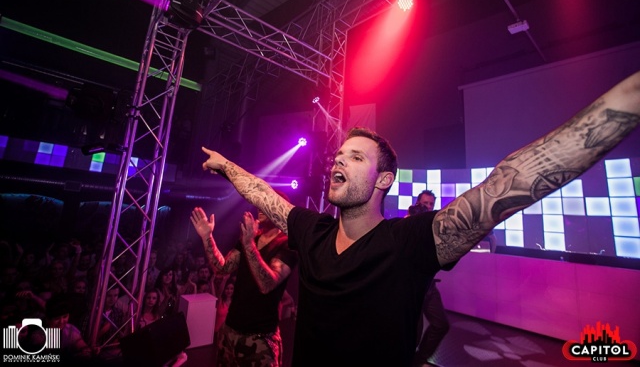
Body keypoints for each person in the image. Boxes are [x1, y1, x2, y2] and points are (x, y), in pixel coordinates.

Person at [198, 70, 640, 366]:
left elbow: (511, 182)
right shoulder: (312, 231)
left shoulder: (410, 242)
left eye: (356, 157)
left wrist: (628, 101)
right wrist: (226, 165)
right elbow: (266, 196)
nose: (339, 160)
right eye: (339, 155)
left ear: (384, 179)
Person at [190, 194, 298, 367]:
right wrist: (207, 237)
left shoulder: (287, 245)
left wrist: (249, 245)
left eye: (266, 204)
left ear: (280, 210)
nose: (260, 207)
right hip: (230, 332)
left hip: (260, 339)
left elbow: (267, 284)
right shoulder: (251, 238)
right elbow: (222, 268)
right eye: (260, 203)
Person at [407, 193, 450, 367]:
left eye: (431, 204)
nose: (429, 207)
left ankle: (419, 360)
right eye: (425, 203)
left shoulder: (435, 224)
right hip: (411, 288)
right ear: (418, 203)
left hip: (429, 286)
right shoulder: (407, 223)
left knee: (441, 325)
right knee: (413, 335)